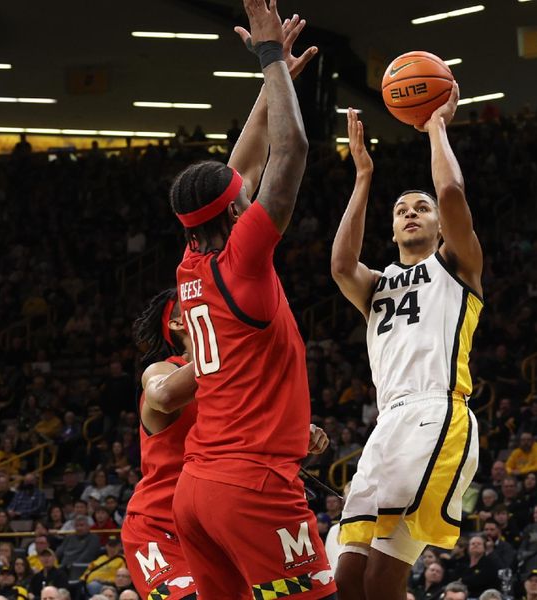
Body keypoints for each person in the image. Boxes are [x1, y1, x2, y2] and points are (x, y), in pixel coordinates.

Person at [169, 2, 334, 598]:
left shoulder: (191, 262)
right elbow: (287, 156)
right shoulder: (245, 258)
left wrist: (277, 81)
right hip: (253, 485)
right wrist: (268, 60)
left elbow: (238, 163)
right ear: (236, 211)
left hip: (196, 491)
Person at [332, 84, 482, 599]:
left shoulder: (456, 267)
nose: (412, 213)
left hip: (436, 413)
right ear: (393, 230)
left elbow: (452, 194)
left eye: (421, 208)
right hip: (387, 423)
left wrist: (436, 127)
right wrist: (364, 176)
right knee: (349, 578)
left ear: (440, 226)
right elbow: (339, 265)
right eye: (401, 211)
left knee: (382, 577)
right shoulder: (376, 284)